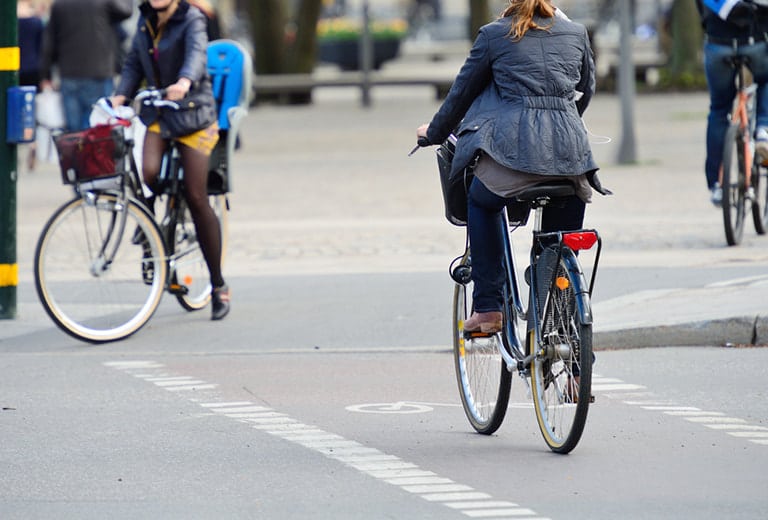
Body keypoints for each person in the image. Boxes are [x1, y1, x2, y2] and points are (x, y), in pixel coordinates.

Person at [416, 0, 606, 333]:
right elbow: (585, 93)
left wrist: (433, 133)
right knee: (558, 246)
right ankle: (572, 357)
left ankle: (488, 308)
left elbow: (461, 95)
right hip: (572, 157)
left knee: (480, 200)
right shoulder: (576, 32)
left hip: (514, 152)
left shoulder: (494, 35)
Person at [109, 0, 230, 320]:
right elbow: (134, 62)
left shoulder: (193, 19)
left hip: (194, 116)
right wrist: (121, 93)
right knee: (147, 175)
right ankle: (154, 233)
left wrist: (184, 82)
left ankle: (218, 285)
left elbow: (196, 54)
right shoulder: (144, 21)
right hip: (160, 114)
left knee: (195, 195)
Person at [697, 0, 768, 207]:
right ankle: (763, 129)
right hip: (755, 41)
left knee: (719, 109)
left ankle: (717, 185)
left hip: (717, 44)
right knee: (765, 80)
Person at [39, 0, 132, 132]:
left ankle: (76, 152)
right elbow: (126, 11)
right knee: (97, 130)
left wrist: (45, 74)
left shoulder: (59, 4)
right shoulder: (103, 3)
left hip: (69, 74)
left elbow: (49, 42)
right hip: (99, 72)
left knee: (73, 132)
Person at [17, 0, 45, 171]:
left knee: (12, 109)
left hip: (12, 70)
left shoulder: (9, 23)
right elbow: (43, 48)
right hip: (34, 69)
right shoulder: (36, 23)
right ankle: (32, 143)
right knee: (31, 109)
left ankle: (15, 145)